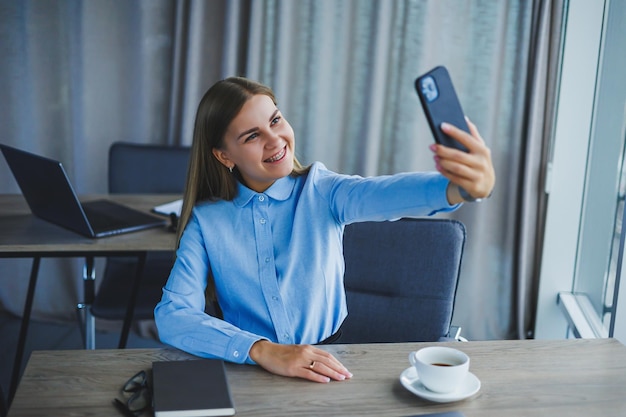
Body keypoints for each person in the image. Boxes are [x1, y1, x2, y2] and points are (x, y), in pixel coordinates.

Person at [154, 76, 495, 383]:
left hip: (331, 365)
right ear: (224, 155)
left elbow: (385, 194)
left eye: (275, 121)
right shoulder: (207, 220)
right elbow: (173, 315)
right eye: (252, 136)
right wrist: (260, 349)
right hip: (248, 371)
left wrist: (460, 188)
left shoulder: (322, 190)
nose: (275, 140)